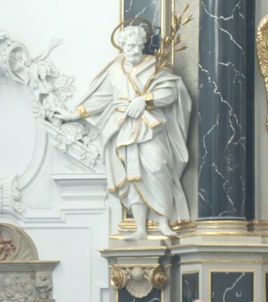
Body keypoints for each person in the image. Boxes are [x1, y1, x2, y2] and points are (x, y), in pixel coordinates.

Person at [65, 22, 191, 239]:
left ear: (142, 45)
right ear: (122, 46)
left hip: (149, 126)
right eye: (129, 46)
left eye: (136, 45)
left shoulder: (154, 65)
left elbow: (171, 90)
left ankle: (163, 220)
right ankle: (141, 228)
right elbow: (103, 97)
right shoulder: (115, 70)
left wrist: (146, 100)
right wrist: (78, 113)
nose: (133, 50)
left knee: (158, 165)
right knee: (131, 176)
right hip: (122, 127)